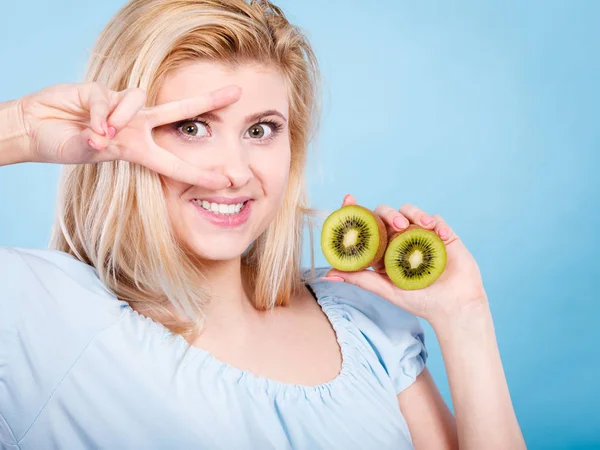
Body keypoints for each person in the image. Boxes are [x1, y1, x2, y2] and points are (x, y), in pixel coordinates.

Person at [0, 0, 526, 448]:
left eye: (261, 130)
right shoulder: (43, 315)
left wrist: (465, 318)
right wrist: (21, 129)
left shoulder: (361, 325)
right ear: (112, 136)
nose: (233, 172)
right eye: (191, 127)